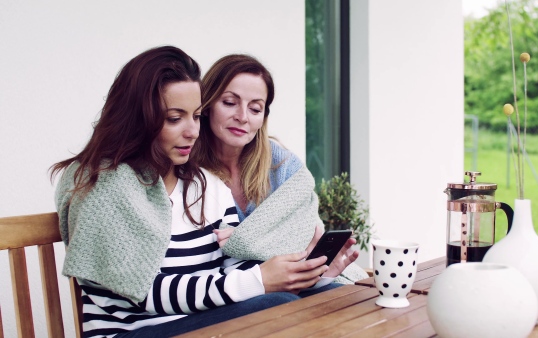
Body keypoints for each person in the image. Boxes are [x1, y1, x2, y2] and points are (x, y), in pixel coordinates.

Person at [50, 46, 350, 338]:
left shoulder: (205, 185)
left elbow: (237, 266)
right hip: (134, 331)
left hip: (203, 323)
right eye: (174, 118)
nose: (192, 130)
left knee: (329, 301)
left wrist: (303, 275)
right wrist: (258, 280)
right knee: (278, 307)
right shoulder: (104, 186)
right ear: (138, 118)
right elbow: (141, 293)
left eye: (195, 115)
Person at [197, 54, 368, 284]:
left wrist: (321, 271)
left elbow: (307, 234)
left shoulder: (282, 166)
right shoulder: (189, 172)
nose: (242, 117)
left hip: (301, 285)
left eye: (255, 109)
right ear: (207, 106)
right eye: (229, 103)